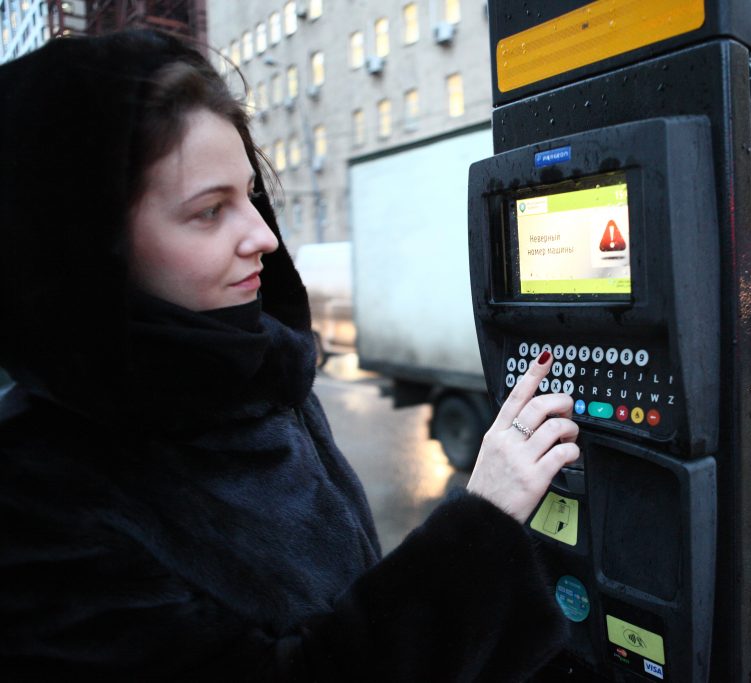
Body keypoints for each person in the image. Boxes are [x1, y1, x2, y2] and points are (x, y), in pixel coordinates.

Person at [0, 29, 580, 680]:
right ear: (88, 251)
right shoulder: (35, 497)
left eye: (249, 195)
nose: (261, 236)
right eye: (208, 211)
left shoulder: (260, 375)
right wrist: (483, 521)